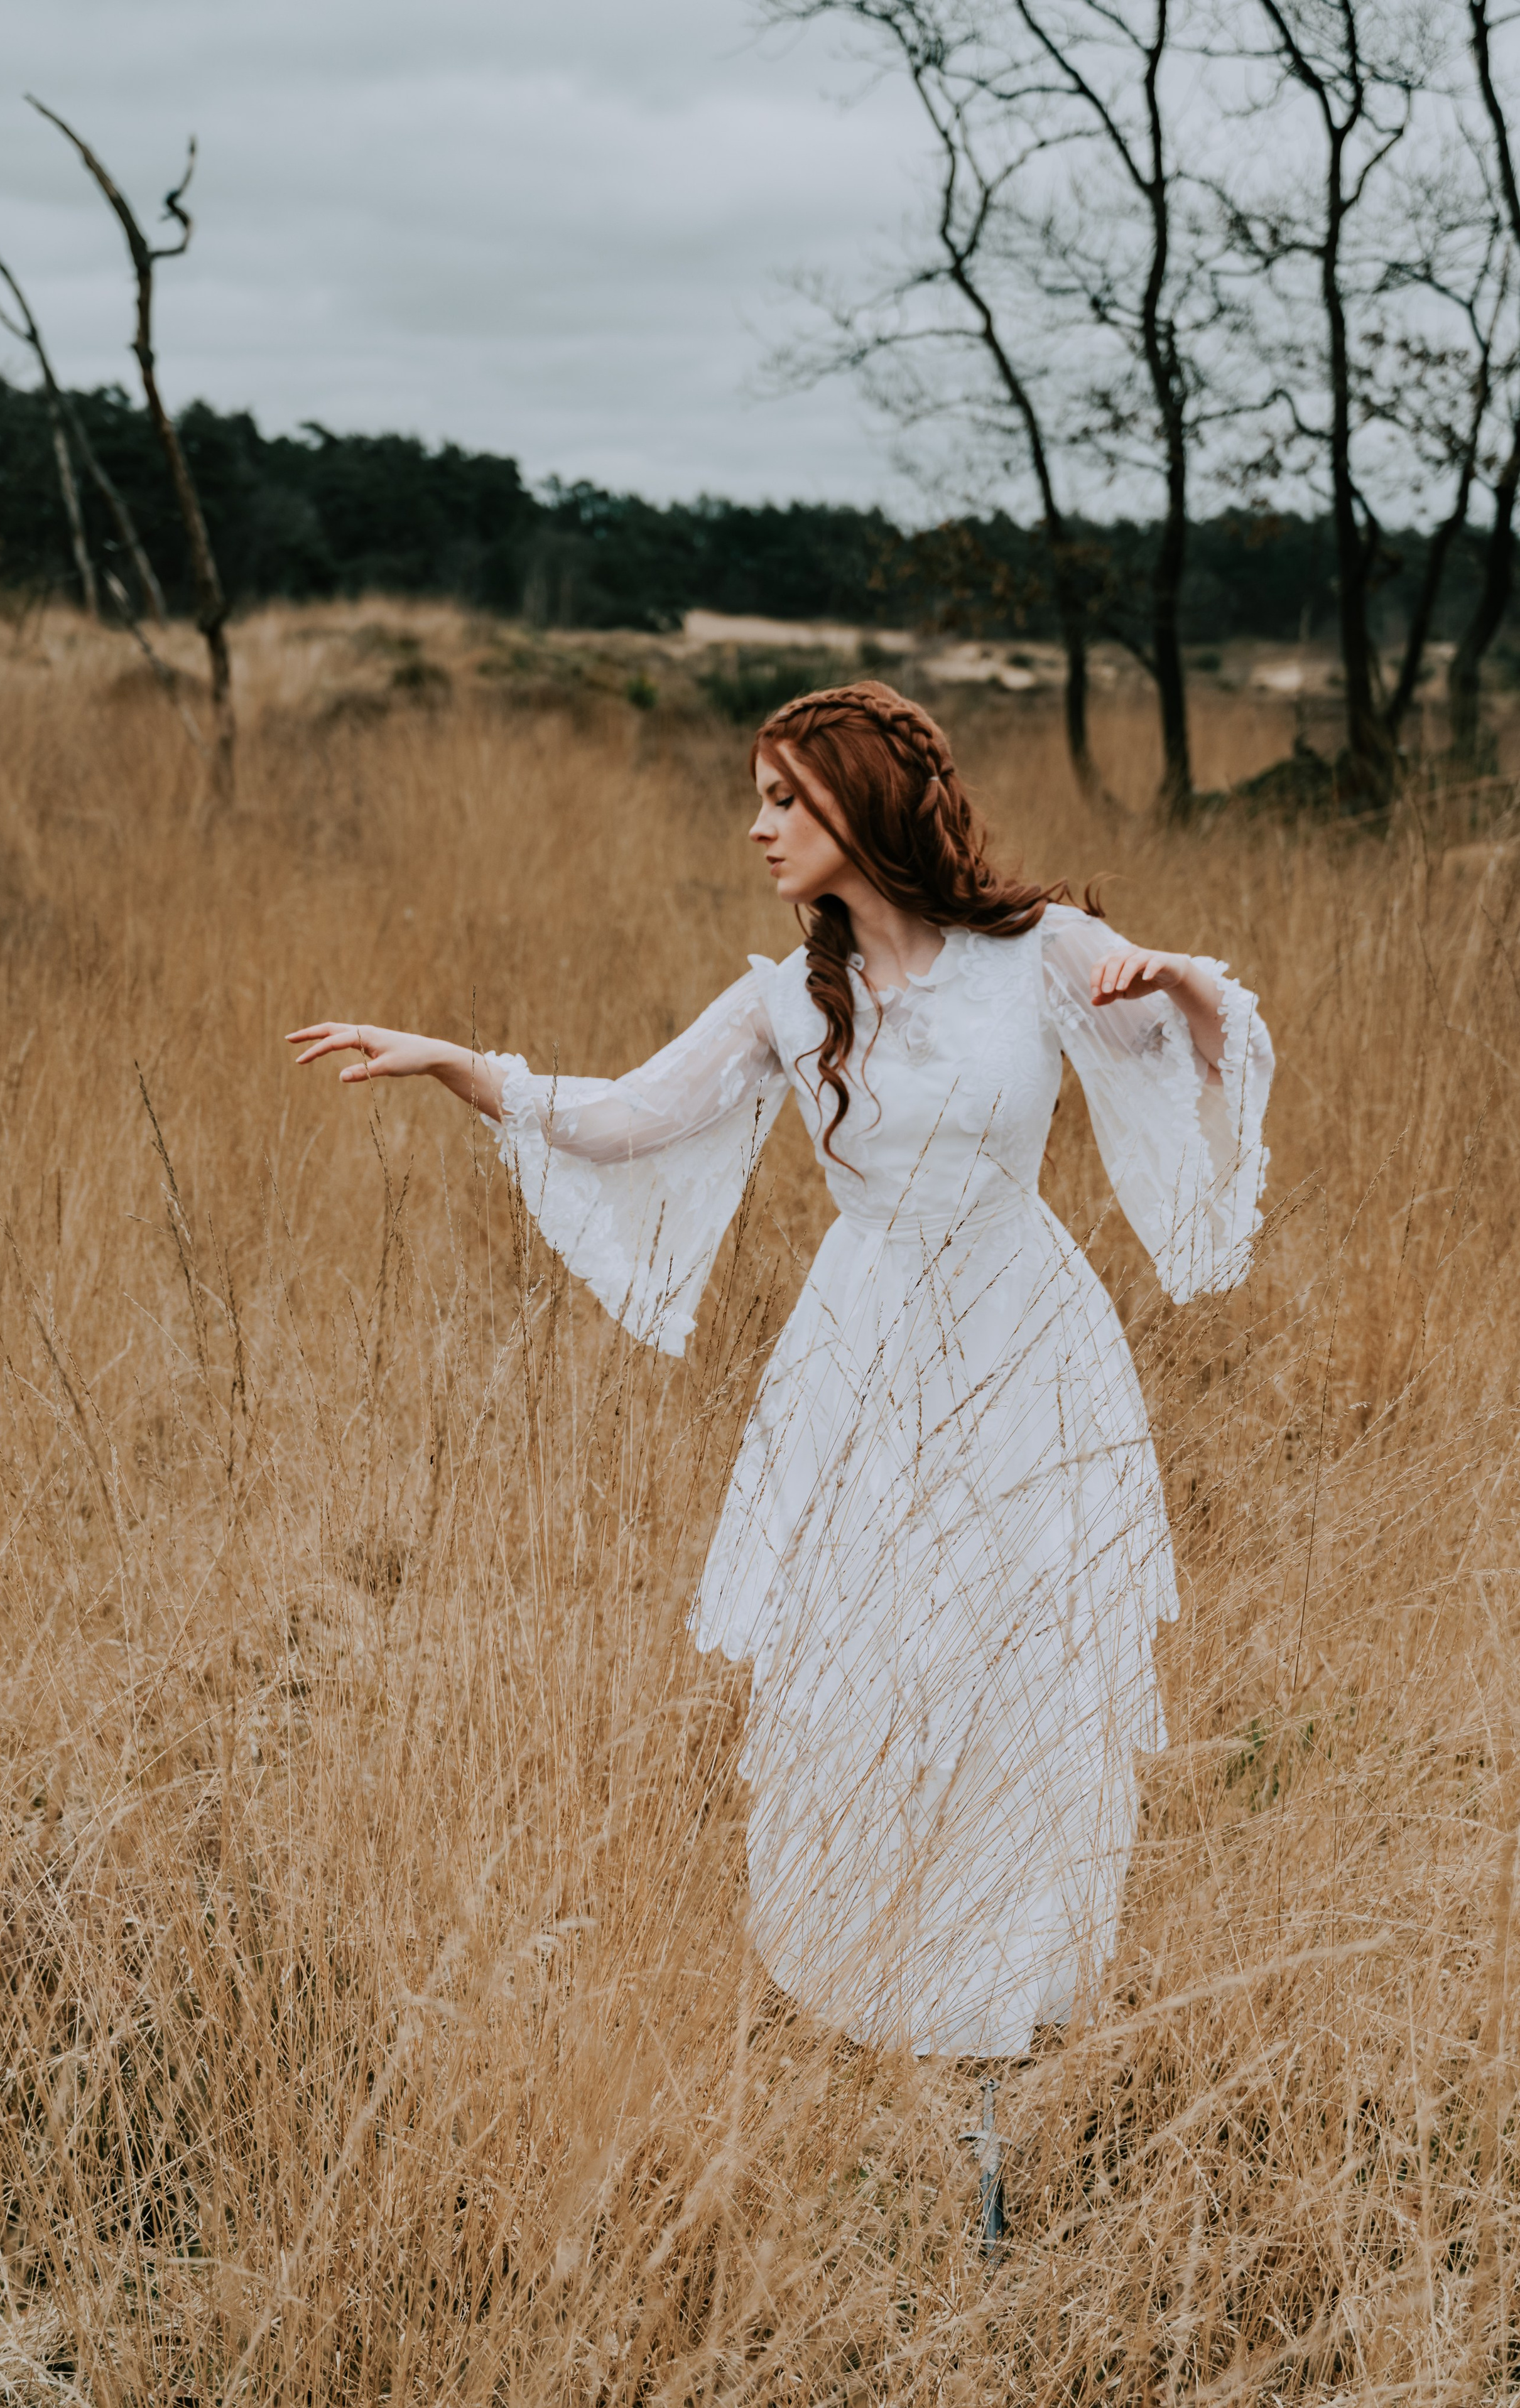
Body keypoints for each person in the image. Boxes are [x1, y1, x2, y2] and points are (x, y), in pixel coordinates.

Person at [289, 681, 1273, 2240]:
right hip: (862, 1358)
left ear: (862, 808)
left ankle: (1001, 2028)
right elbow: (612, 1120)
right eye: (753, 796)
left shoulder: (1039, 959)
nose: (755, 826)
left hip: (1027, 1346)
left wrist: (1192, 996)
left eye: (783, 800)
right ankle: (890, 2000)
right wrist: (446, 1061)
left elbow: (1192, 1055)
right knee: (871, 1664)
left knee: (1019, 1662)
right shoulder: (781, 1005)